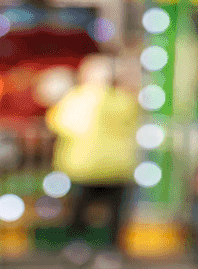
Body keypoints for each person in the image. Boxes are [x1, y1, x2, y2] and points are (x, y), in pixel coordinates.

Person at [46, 54, 139, 261]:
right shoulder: (123, 100)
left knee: (79, 210)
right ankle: (110, 252)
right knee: (113, 214)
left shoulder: (75, 99)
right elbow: (133, 118)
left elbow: (58, 124)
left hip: (83, 165)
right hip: (118, 166)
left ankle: (77, 248)